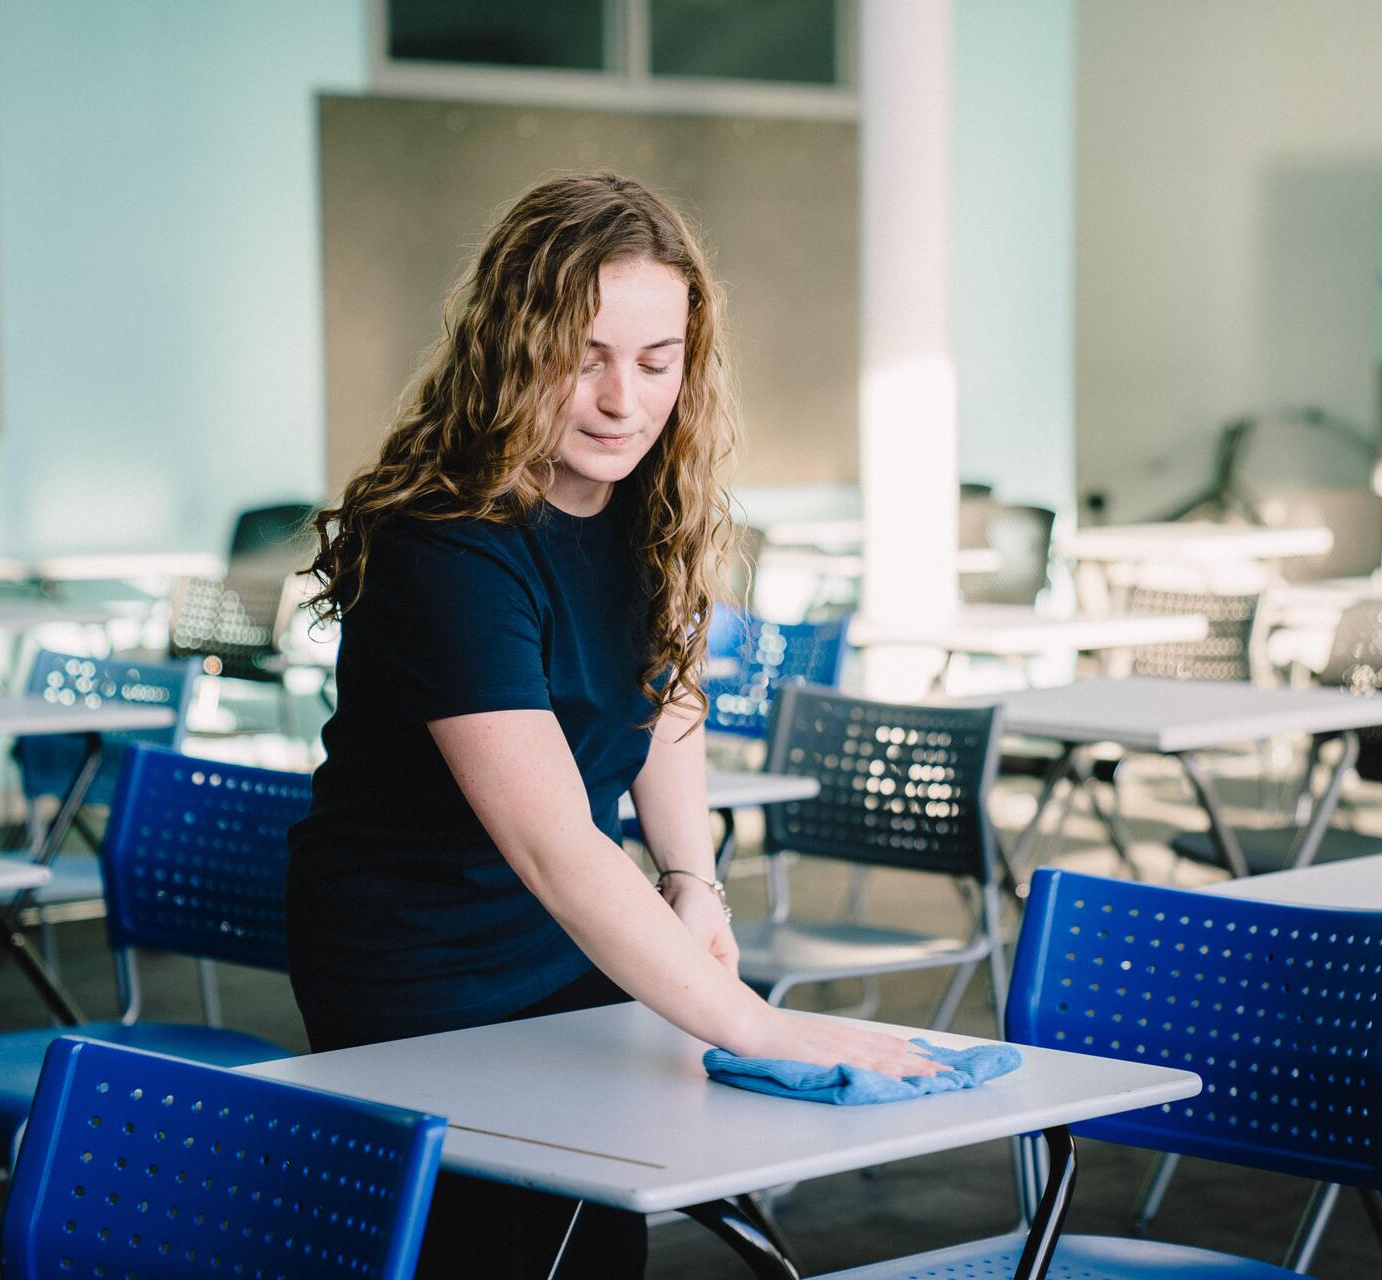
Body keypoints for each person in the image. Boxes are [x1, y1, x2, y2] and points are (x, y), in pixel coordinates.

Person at [289, 172, 942, 1279]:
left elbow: (666, 697)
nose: (620, 401)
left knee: (599, 1235)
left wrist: (693, 878)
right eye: (582, 356)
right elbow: (555, 843)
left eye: (656, 361)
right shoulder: (446, 544)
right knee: (482, 1251)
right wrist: (755, 1020)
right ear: (510, 347)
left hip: (568, 937)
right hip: (417, 959)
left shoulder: (653, 500)